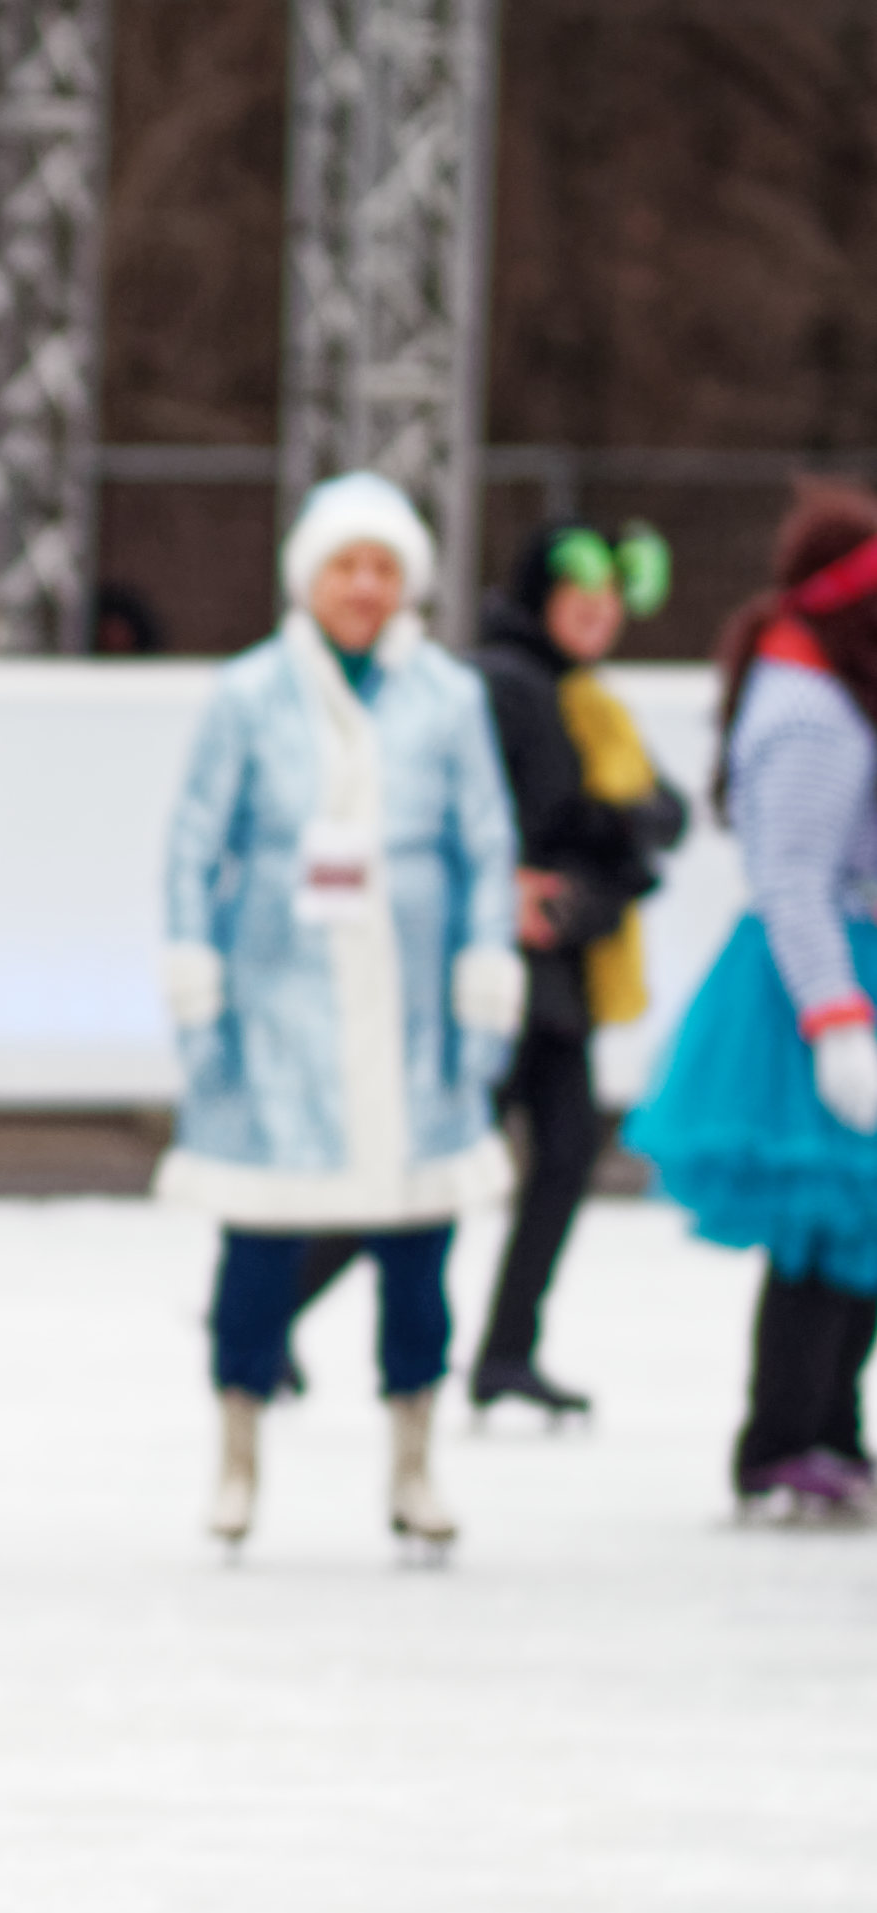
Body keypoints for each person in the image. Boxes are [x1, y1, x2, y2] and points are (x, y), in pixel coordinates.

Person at [155, 471, 521, 1559]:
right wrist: (195, 974)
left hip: (410, 1009)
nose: (362, 587)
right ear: (306, 576)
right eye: (343, 566)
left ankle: (412, 1458)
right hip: (280, 1001)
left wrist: (480, 971)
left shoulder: (445, 697)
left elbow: (484, 844)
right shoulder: (248, 693)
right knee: (259, 1243)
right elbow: (191, 841)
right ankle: (236, 1450)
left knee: (417, 1246)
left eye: (381, 568)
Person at [621, 482, 877, 1520]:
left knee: (850, 1222)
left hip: (839, 972)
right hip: (814, 988)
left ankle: (824, 1425)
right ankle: (782, 1435)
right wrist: (836, 1020)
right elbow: (793, 881)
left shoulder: (824, 688)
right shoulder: (808, 713)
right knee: (822, 1220)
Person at [459, 520, 687, 1418]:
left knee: (549, 1155)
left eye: (609, 609)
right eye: (580, 605)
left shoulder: (579, 694)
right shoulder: (511, 685)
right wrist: (614, 841)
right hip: (516, 970)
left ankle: (509, 1348)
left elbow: (653, 814)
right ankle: (268, 1312)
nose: (598, 622)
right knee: (462, 1155)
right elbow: (562, 818)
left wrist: (618, 842)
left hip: (557, 971)